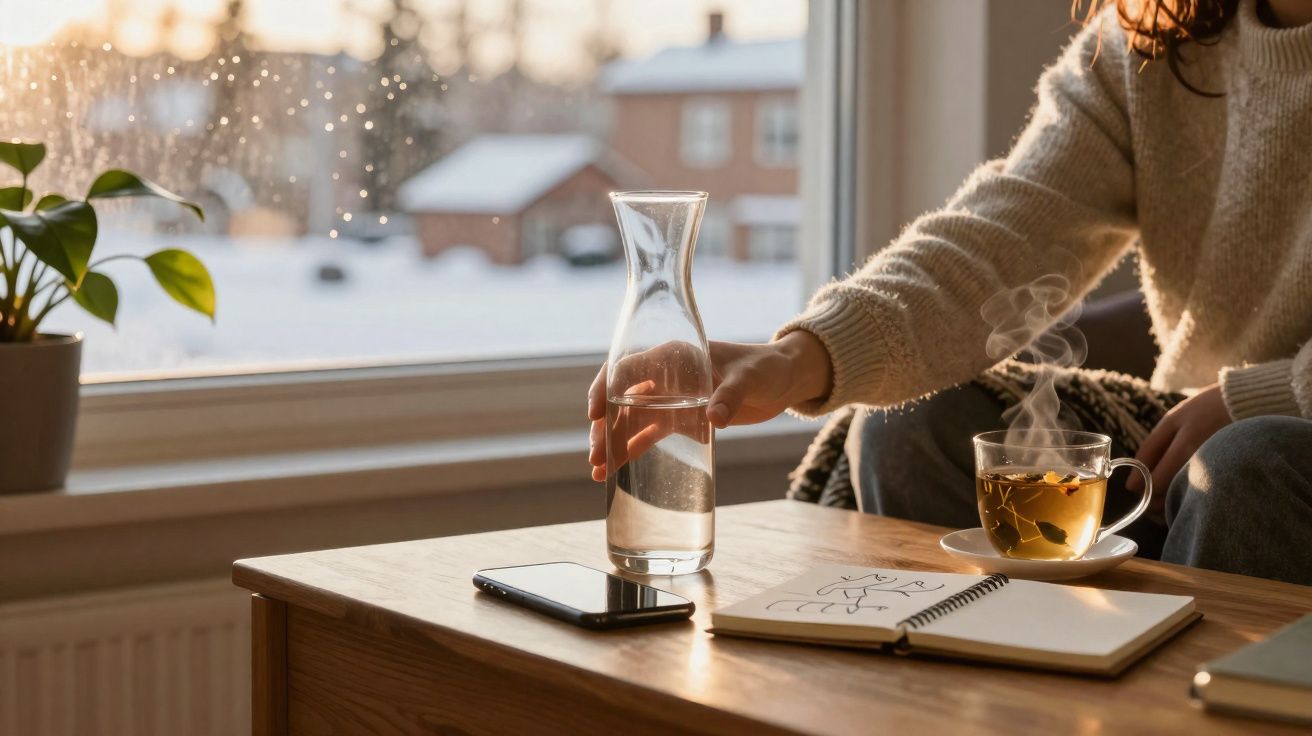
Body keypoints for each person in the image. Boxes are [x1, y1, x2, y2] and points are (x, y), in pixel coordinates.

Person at [589, 0, 1312, 586]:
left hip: (1264, 448)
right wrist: (797, 358)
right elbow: (1001, 235)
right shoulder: (1149, 38)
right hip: (1180, 433)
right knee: (915, 429)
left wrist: (1266, 396)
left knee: (1249, 469)